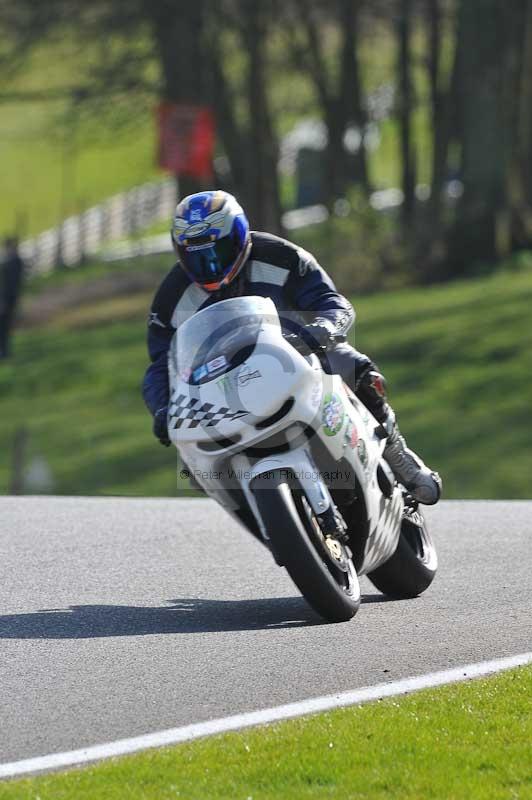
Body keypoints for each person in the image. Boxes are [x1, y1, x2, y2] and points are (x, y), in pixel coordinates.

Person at [143, 190, 441, 504]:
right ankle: (247, 504)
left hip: (296, 355)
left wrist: (322, 329)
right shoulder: (171, 299)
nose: (210, 264)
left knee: (351, 364)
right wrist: (163, 409)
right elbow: (162, 364)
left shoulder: (283, 256)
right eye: (196, 256)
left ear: (240, 234)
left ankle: (398, 452)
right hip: (221, 383)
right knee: (192, 455)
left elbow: (332, 303)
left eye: (218, 250)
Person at [0, 237, 25, 360]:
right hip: (8, 299)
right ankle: (4, 351)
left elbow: (8, 285)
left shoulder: (12, 263)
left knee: (4, 326)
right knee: (5, 326)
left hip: (6, 300)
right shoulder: (13, 262)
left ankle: (4, 352)